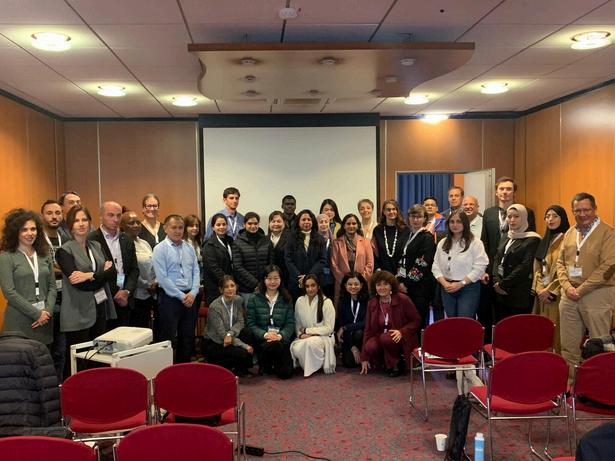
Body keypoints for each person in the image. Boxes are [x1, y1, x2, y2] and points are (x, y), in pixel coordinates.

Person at [556, 192, 615, 381]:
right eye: (577, 210)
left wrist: (581, 290)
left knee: (600, 344)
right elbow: (560, 263)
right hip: (569, 295)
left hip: (597, 294)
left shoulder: (608, 233)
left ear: (595, 209)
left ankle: (600, 387)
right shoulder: (570, 233)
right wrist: (566, 286)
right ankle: (571, 384)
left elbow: (608, 267)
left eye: (586, 210)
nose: (582, 214)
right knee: (568, 345)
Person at [55, 206, 115, 376]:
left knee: (101, 356)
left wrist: (90, 275)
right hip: (78, 311)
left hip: (101, 307)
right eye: (76, 221)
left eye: (84, 220)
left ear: (90, 222)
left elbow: (112, 272)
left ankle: (98, 387)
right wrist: (101, 274)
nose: (81, 224)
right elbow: (80, 284)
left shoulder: (96, 245)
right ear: (70, 225)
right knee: (78, 359)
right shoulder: (64, 251)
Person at [480, 177, 536, 340]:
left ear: (514, 192)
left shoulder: (526, 212)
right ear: (496, 192)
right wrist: (488, 271)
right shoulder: (489, 213)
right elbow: (485, 242)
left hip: (516, 274)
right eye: (502, 189)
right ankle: (492, 345)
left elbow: (529, 239)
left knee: (515, 319)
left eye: (509, 189)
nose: (505, 192)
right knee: (494, 312)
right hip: (494, 271)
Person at [0, 209, 56, 347]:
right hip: (19, 322)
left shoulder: (44, 254)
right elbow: (9, 292)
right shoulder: (6, 257)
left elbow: (52, 287)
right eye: (24, 230)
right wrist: (37, 314)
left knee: (44, 358)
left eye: (33, 229)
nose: (30, 233)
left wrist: (47, 312)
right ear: (15, 232)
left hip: (44, 320)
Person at [152, 214, 200, 363]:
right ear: (165, 229)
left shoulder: (189, 247)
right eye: (174, 227)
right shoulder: (159, 249)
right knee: (167, 336)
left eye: (180, 228)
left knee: (187, 336)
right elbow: (162, 278)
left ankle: (183, 367)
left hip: (190, 297)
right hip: (170, 298)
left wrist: (193, 292)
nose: (178, 231)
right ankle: (165, 369)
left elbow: (196, 271)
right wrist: (181, 296)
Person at [88, 201, 139, 328]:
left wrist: (126, 291)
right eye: (110, 215)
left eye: (118, 215)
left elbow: (134, 269)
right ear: (101, 216)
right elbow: (92, 272)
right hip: (103, 300)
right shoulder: (91, 239)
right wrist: (115, 293)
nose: (115, 219)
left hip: (125, 299)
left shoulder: (127, 239)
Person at [360, 270, 420, 377]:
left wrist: (402, 332)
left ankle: (396, 363)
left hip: (400, 336)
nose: (382, 287)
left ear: (391, 286)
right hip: (381, 336)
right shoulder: (372, 303)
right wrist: (364, 357)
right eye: (378, 285)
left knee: (386, 338)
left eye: (385, 284)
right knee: (370, 346)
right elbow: (367, 329)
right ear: (375, 287)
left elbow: (416, 320)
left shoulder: (403, 299)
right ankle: (384, 362)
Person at [432, 210, 488, 319]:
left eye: (459, 221)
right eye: (452, 222)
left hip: (468, 288)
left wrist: (461, 284)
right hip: (447, 288)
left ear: (465, 223)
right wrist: (444, 283)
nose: (455, 225)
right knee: (452, 321)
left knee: (464, 321)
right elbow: (435, 266)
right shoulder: (442, 242)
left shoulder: (475, 243)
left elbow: (480, 267)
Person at [491, 204, 541, 321]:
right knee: (502, 326)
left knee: (518, 327)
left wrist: (503, 284)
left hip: (518, 292)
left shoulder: (532, 239)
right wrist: (497, 281)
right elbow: (497, 259)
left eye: (516, 216)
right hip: (500, 292)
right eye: (509, 217)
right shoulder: (506, 236)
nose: (512, 220)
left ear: (524, 218)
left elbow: (525, 266)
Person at [532, 205, 570, 353]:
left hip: (558, 294)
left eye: (555, 216)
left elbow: (567, 270)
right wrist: (540, 288)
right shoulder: (546, 239)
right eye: (547, 216)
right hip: (542, 295)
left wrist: (551, 290)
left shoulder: (568, 240)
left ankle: (558, 361)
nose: (550, 219)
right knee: (542, 331)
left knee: (557, 331)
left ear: (562, 218)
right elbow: (537, 267)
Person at [246, 265, 295, 379]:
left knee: (286, 373)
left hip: (280, 340)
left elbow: (290, 323)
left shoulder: (287, 298)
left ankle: (272, 364)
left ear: (281, 279)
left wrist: (280, 336)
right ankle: (266, 363)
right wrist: (265, 334)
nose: (272, 282)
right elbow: (250, 323)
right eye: (269, 278)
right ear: (264, 279)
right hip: (263, 339)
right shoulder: (254, 298)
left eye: (276, 278)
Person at [203, 275, 254, 375]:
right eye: (226, 287)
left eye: (232, 285)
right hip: (215, 342)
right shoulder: (215, 307)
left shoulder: (238, 300)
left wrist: (230, 333)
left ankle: (241, 369)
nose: (230, 289)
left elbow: (240, 322)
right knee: (242, 352)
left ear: (236, 287)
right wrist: (244, 345)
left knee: (247, 333)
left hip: (229, 336)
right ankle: (222, 365)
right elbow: (222, 335)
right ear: (221, 290)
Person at [397, 205, 436, 331]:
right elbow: (402, 259)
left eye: (419, 217)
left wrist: (407, 283)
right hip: (405, 285)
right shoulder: (407, 235)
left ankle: (421, 343)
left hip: (420, 287)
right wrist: (400, 280)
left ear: (425, 219)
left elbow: (422, 263)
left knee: (418, 321)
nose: (415, 220)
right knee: (406, 320)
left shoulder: (427, 237)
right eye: (412, 216)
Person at [40, 199, 66, 381]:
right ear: (42, 216)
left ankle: (59, 388)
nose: (54, 216)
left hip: (66, 300)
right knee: (45, 350)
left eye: (57, 213)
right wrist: (63, 269)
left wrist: (59, 268)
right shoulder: (37, 240)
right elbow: (44, 268)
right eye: (49, 213)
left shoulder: (67, 238)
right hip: (46, 301)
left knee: (60, 350)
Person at [291, 274, 336, 377]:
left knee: (310, 344)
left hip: (324, 337)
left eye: (313, 285)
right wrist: (300, 335)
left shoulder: (327, 302)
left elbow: (329, 328)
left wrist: (308, 331)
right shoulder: (299, 301)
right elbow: (297, 323)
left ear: (318, 286)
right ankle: (309, 365)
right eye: (307, 286)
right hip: (304, 337)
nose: (310, 289)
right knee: (295, 347)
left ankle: (312, 367)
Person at [120, 211, 157, 330]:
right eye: (131, 223)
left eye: (138, 222)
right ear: (122, 226)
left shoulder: (144, 243)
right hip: (134, 296)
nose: (136, 225)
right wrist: (146, 285)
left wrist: (155, 282)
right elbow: (128, 270)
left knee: (145, 331)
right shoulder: (121, 244)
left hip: (149, 295)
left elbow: (153, 265)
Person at [331, 213, 374, 303]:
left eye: (354, 223)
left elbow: (370, 264)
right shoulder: (336, 243)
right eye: (348, 224)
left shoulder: (366, 242)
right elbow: (334, 265)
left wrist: (359, 281)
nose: (351, 226)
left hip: (361, 284)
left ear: (358, 225)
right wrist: (346, 282)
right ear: (344, 226)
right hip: (342, 284)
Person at [284, 209, 326, 299]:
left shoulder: (320, 239)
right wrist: (299, 277)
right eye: (303, 219)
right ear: (298, 222)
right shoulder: (291, 238)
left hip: (315, 280)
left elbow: (322, 260)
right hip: (296, 281)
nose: (306, 222)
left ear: (313, 222)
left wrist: (309, 276)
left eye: (309, 219)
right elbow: (288, 259)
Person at [232, 212, 271, 303]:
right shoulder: (237, 243)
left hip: (265, 286)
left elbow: (271, 264)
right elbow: (238, 267)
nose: (253, 226)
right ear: (244, 225)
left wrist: (264, 282)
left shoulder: (266, 241)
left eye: (255, 223)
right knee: (248, 312)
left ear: (258, 224)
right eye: (249, 223)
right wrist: (256, 284)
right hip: (246, 289)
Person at [336, 272, 369, 368]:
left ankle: (363, 352)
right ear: (345, 285)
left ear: (361, 285)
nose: (353, 287)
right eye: (350, 284)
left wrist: (346, 327)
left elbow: (366, 323)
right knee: (349, 363)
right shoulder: (342, 301)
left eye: (356, 284)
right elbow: (341, 325)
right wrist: (352, 347)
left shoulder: (368, 300)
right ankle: (352, 350)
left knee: (359, 332)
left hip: (363, 336)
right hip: (348, 337)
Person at [202, 213, 234, 305]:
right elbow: (214, 268)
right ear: (213, 227)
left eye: (224, 224)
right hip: (215, 287)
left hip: (229, 286)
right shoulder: (209, 244)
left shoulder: (230, 240)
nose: (221, 227)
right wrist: (227, 282)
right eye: (218, 225)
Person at [371, 199, 410, 274]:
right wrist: (377, 268)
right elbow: (373, 252)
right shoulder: (377, 230)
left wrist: (401, 271)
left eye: (394, 209)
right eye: (388, 210)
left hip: (401, 273)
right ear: (384, 212)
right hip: (382, 273)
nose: (391, 212)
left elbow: (407, 253)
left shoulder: (405, 230)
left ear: (397, 211)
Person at [268, 210, 291, 287]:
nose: (276, 224)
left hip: (286, 278)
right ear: (269, 223)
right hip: (269, 279)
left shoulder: (291, 238)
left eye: (279, 221)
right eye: (273, 221)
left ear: (284, 223)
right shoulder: (264, 239)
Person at [316, 213, 335, 299]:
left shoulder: (333, 240)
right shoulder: (313, 240)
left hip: (331, 278)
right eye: (321, 222)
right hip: (317, 277)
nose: (324, 224)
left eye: (326, 222)